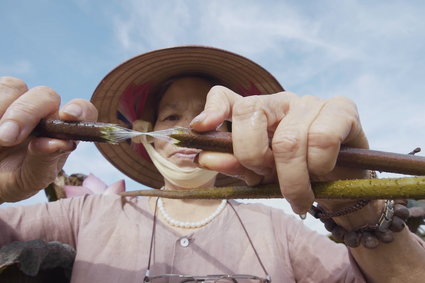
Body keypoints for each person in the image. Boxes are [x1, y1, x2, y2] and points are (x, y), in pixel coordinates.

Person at [0, 46, 424, 282]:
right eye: (170, 117)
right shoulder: (86, 214)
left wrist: (355, 201)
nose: (190, 129)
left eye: (210, 118)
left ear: (239, 134)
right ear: (145, 136)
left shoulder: (278, 229)